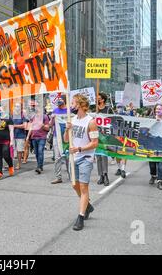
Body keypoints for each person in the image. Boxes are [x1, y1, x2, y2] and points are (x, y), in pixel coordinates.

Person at [64, 94, 99, 231]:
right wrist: (67, 129)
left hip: (86, 158)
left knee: (84, 188)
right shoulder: (72, 120)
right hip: (74, 158)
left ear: (79, 104)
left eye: (72, 103)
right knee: (74, 185)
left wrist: (79, 148)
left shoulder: (91, 122)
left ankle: (81, 216)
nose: (71, 106)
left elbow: (95, 143)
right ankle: (88, 206)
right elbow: (66, 140)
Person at [0, 106, 15, 178]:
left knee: (6, 155)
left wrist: (12, 140)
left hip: (5, 140)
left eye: (1, 110)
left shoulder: (8, 118)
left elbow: (11, 130)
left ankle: (10, 166)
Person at [50, 96, 69, 184]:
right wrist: (52, 118)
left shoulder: (69, 111)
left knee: (68, 156)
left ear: (64, 102)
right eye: (58, 104)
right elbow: (50, 125)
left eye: (61, 103)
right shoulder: (55, 111)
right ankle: (58, 177)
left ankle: (71, 175)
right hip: (56, 136)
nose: (59, 105)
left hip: (67, 136)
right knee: (57, 157)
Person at [96, 93, 113, 186]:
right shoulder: (95, 109)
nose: (97, 100)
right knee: (98, 156)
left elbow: (113, 120)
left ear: (102, 100)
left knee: (104, 155)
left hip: (105, 136)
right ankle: (101, 175)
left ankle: (105, 174)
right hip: (96, 135)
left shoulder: (108, 109)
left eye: (98, 98)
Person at [29, 107, 50, 174]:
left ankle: (39, 167)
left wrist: (43, 125)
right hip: (34, 137)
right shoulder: (33, 117)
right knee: (37, 153)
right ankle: (40, 165)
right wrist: (28, 137)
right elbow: (30, 127)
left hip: (42, 137)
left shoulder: (45, 117)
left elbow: (48, 128)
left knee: (40, 151)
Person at [12, 102, 28, 170]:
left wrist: (14, 126)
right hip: (12, 135)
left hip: (20, 136)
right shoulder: (12, 115)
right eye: (15, 106)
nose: (16, 108)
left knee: (19, 151)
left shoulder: (23, 115)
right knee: (11, 150)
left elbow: (24, 125)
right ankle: (10, 164)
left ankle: (19, 164)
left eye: (18, 106)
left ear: (21, 108)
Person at [114, 104, 128, 179]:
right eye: (118, 107)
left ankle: (123, 169)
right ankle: (119, 168)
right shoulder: (114, 116)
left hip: (124, 137)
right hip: (116, 137)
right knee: (116, 154)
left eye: (121, 107)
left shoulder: (127, 116)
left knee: (124, 153)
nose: (120, 109)